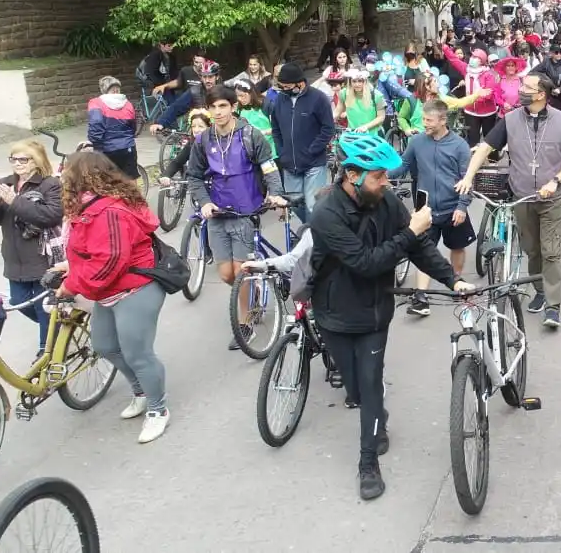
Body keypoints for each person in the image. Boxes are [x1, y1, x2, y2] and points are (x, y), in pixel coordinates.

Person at [311, 132, 470, 500]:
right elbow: (366, 263)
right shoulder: (326, 213)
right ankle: (377, 414)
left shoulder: (386, 202)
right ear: (351, 175)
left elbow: (418, 246)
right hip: (334, 313)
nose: (386, 181)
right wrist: (411, 232)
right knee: (355, 388)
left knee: (368, 383)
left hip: (374, 310)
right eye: (377, 176)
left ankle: (368, 463)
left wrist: (453, 280)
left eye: (386, 175)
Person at [56, 151, 171, 443]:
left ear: (81, 177)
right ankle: (142, 391)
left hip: (136, 289)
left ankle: (158, 409)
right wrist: (71, 267)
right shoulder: (88, 205)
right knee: (105, 346)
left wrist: (71, 284)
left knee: (138, 354)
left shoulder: (109, 210)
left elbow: (109, 260)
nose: (61, 178)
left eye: (65, 173)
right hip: (110, 290)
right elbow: (91, 251)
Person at [458, 74, 561, 328]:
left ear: (540, 95)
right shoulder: (510, 120)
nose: (521, 90)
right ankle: (539, 288)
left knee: (551, 252)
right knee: (532, 250)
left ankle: (552, 306)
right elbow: (485, 148)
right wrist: (468, 177)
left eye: (527, 87)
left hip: (553, 198)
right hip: (521, 196)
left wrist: (556, 180)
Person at [186, 86, 287, 350]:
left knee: (240, 271)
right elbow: (194, 176)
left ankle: (246, 323)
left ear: (233, 107)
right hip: (217, 213)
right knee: (226, 274)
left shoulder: (251, 135)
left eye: (223, 106)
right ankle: (251, 292)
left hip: (246, 210)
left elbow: (269, 168)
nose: (218, 112)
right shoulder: (204, 140)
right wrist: (205, 202)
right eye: (213, 107)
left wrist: (275, 194)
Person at [389, 99, 474, 317]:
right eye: (423, 119)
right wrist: (379, 176)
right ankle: (420, 297)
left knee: (457, 247)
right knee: (423, 251)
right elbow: (403, 166)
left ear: (443, 120)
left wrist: (462, 207)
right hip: (425, 208)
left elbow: (467, 178)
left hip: (452, 206)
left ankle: (455, 282)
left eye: (429, 120)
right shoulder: (417, 142)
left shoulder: (459, 146)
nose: (424, 123)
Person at [0, 140, 61, 355]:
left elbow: (49, 217)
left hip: (43, 258)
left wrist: (15, 201)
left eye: (23, 159)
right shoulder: (6, 183)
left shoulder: (50, 184)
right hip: (15, 259)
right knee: (19, 302)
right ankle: (57, 328)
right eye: (13, 159)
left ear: (37, 160)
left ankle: (47, 354)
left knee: (44, 310)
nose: (17, 163)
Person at [271, 62, 337, 222]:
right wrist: (282, 151)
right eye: (281, 86)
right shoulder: (280, 100)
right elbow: (276, 128)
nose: (283, 90)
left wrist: (313, 149)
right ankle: (310, 232)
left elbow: (328, 128)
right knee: (295, 205)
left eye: (286, 86)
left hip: (314, 163)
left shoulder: (318, 98)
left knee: (313, 207)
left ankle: (314, 240)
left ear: (299, 83)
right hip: (289, 165)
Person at [87, 76, 140, 180]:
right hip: (127, 147)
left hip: (107, 150)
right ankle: (134, 196)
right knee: (130, 179)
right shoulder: (127, 104)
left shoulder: (96, 103)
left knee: (108, 182)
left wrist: (95, 145)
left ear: (103, 89)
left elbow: (96, 126)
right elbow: (133, 127)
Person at [151, 59, 222, 131]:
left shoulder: (225, 92)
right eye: (204, 77)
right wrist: (160, 123)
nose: (207, 81)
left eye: (210, 77)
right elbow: (176, 107)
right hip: (199, 133)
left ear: (217, 77)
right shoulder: (194, 91)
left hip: (220, 133)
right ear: (201, 77)